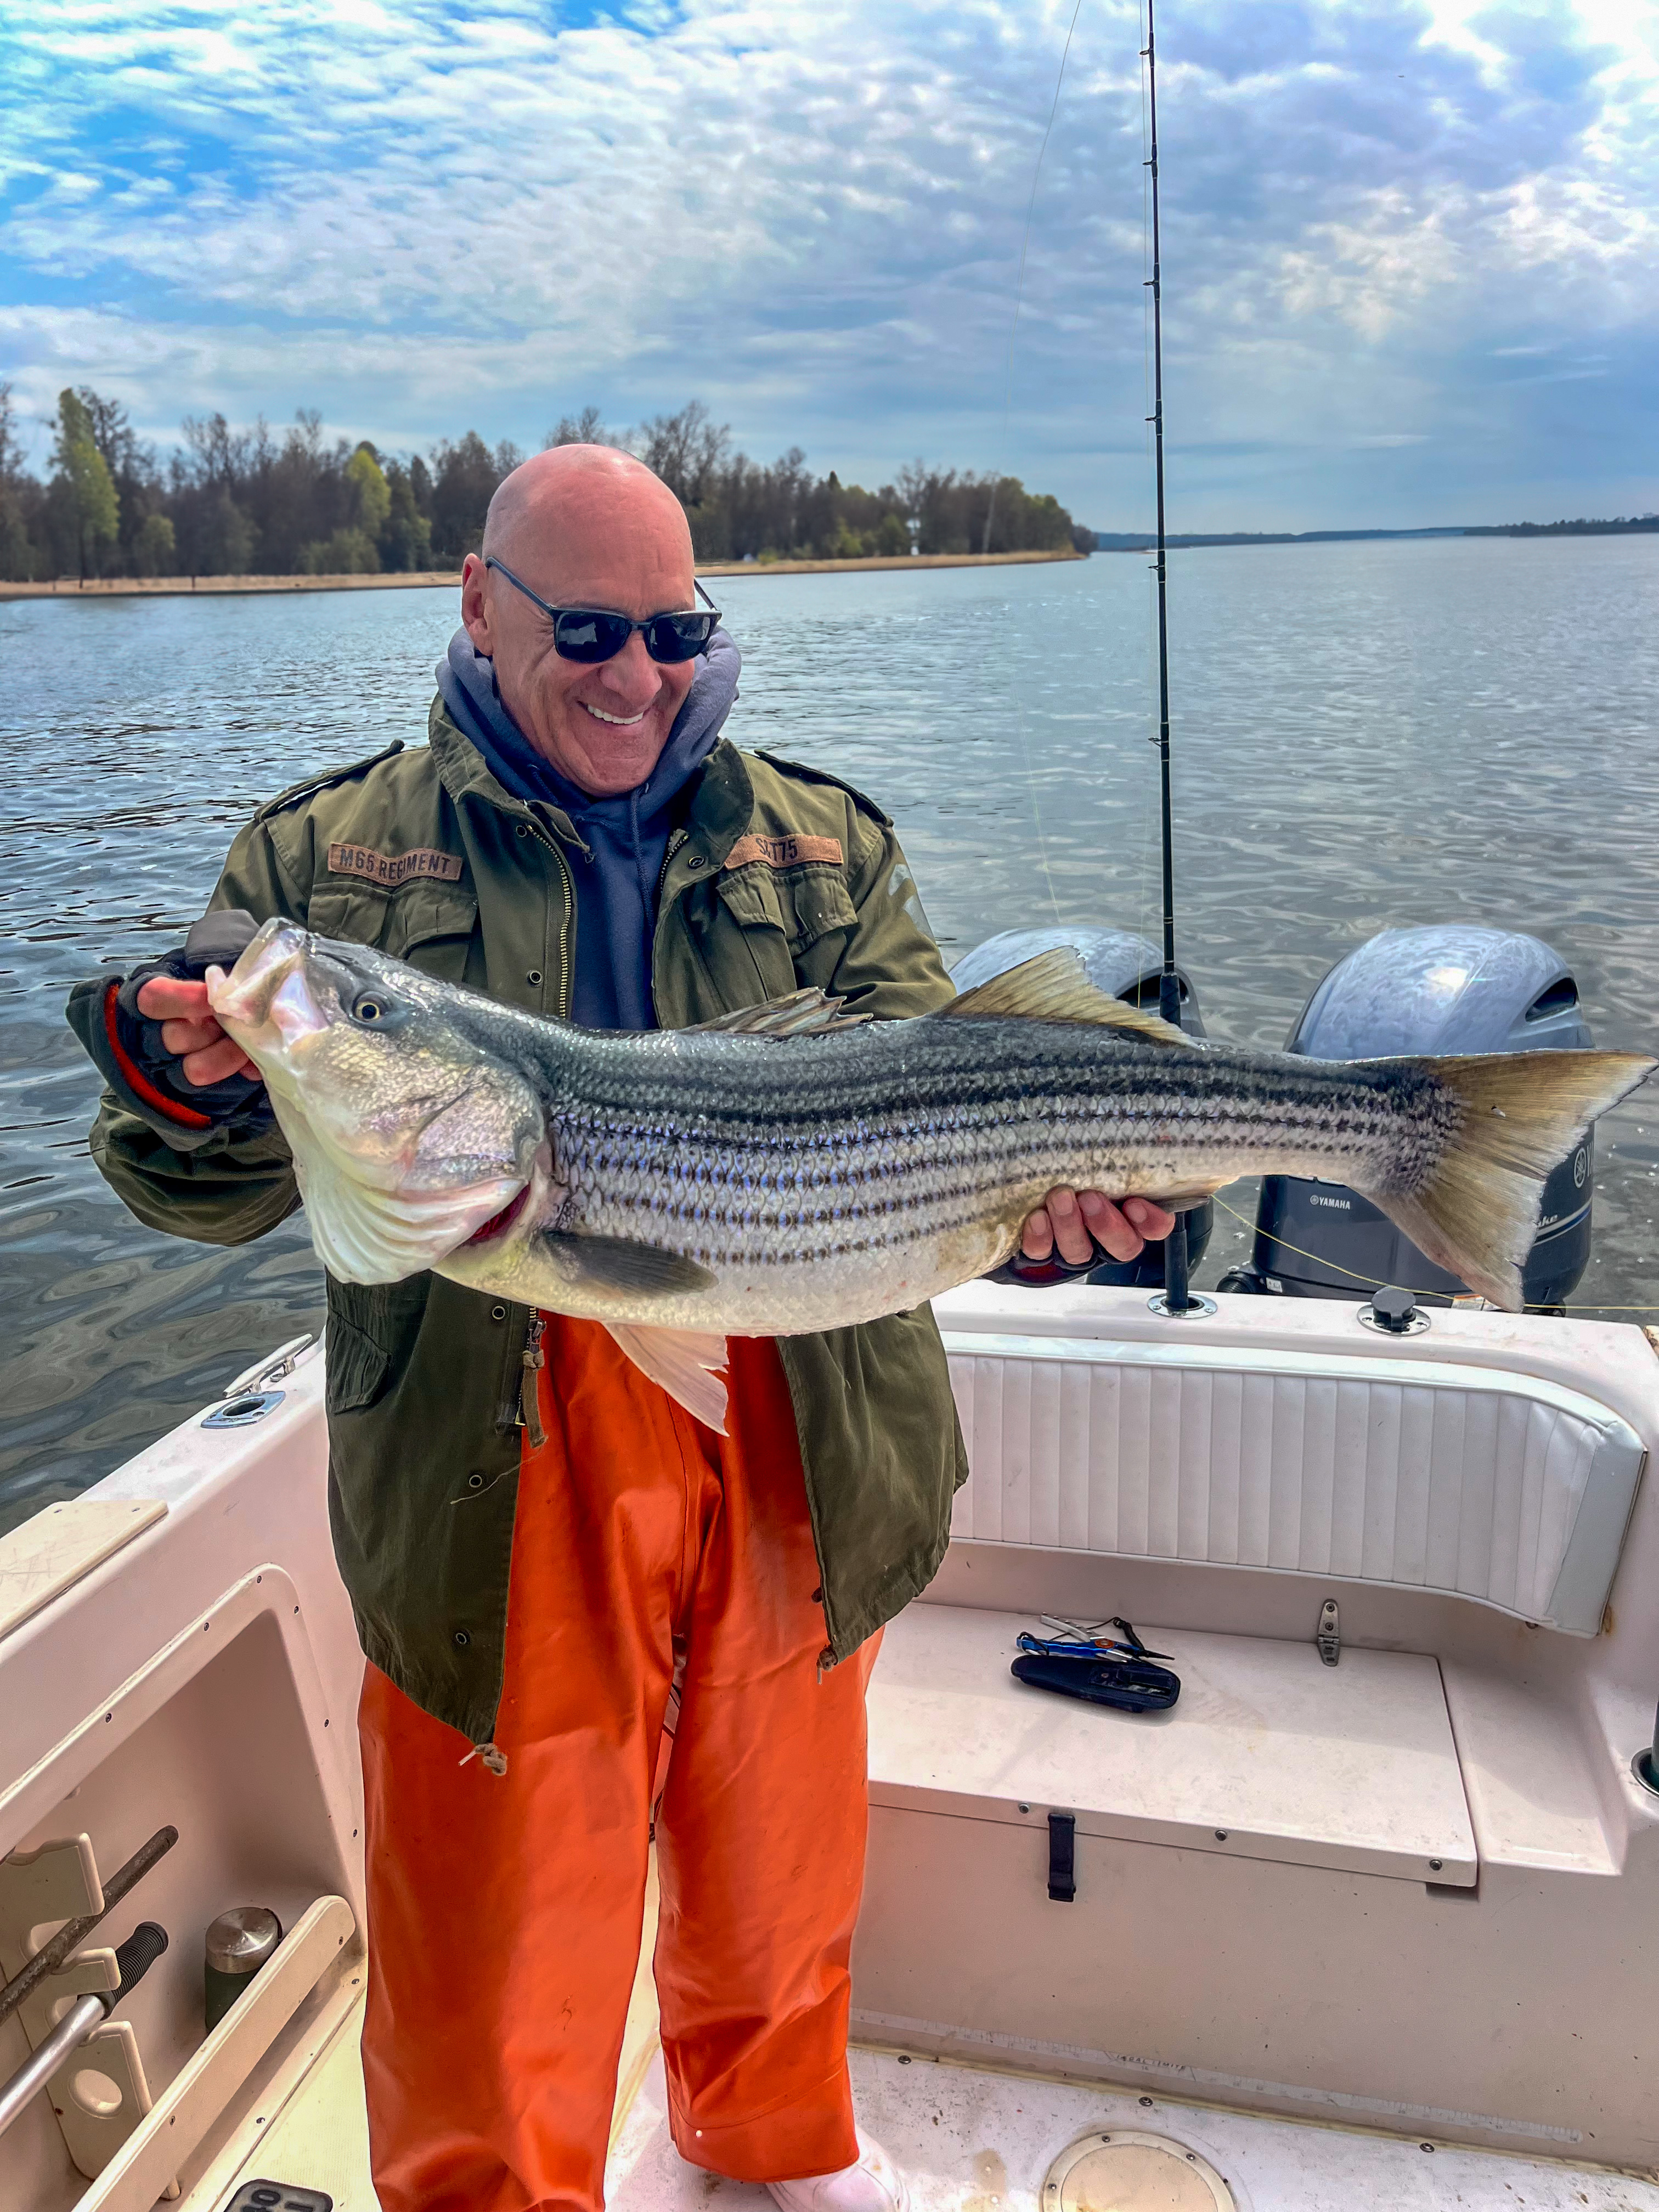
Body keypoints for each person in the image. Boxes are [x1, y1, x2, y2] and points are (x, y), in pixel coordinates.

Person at [68, 445, 1172, 2212]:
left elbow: (943, 1118)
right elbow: (186, 1181)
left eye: (675, 630)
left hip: (796, 1387)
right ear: (478, 601)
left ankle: (771, 2152)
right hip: (485, 1449)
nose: (638, 676)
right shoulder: (320, 868)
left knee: (777, 1866)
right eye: (588, 628)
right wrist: (179, 1085)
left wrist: (1045, 1223)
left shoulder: (819, 840)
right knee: (500, 1919)